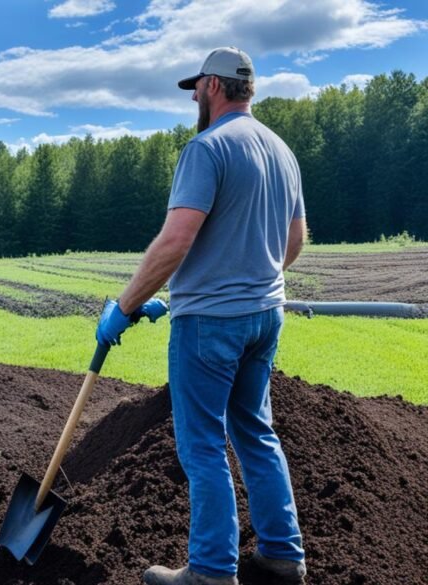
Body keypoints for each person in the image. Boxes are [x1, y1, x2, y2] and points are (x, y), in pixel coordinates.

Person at [94, 47, 308, 585]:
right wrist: (239, 275)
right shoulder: (281, 151)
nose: (193, 95)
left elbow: (175, 240)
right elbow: (295, 241)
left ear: (214, 86)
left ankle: (212, 571)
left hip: (211, 324)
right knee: (256, 432)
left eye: (196, 86)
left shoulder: (206, 149)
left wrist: (124, 307)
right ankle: (284, 556)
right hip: (265, 315)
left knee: (203, 443)